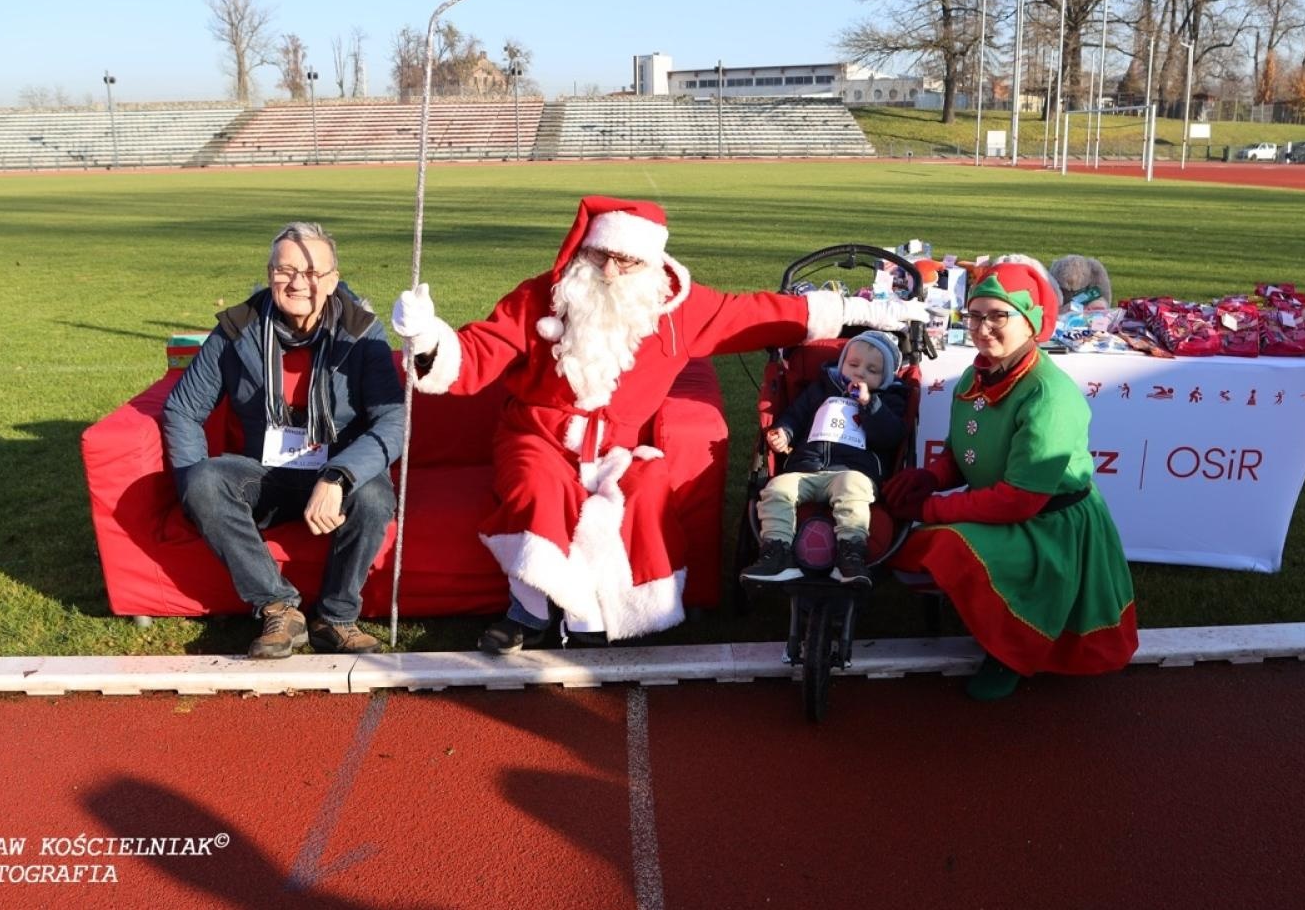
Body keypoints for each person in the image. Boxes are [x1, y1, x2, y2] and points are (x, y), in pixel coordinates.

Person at [391, 195, 922, 653]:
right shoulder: (540, 298)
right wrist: (431, 339)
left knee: (645, 491)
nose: (608, 272)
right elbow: (484, 348)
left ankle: (607, 616)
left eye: (625, 261)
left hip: (618, 448)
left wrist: (862, 311)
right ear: (583, 251)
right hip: (536, 435)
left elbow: (756, 312)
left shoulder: (678, 310)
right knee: (536, 486)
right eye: (600, 256)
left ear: (648, 262)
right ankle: (528, 609)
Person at [882, 259, 1138, 701]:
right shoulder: (979, 371)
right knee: (928, 543)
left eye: (998, 316)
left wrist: (929, 508)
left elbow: (1019, 500)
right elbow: (963, 449)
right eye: (975, 315)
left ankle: (1011, 651)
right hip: (1010, 509)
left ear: (1032, 322)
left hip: (1049, 529)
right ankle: (991, 622)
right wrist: (932, 476)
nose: (983, 329)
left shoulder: (1047, 395)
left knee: (948, 544)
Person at [163, 222, 405, 659]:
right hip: (266, 473)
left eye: (311, 272)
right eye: (284, 270)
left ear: (332, 280)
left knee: (372, 495)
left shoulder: (361, 332)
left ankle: (335, 617)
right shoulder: (237, 329)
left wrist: (338, 476)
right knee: (204, 482)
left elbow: (392, 420)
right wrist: (192, 492)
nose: (297, 283)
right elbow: (182, 410)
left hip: (337, 473)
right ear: (269, 273)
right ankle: (279, 607)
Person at [740, 330, 910, 587]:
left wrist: (869, 404)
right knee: (777, 488)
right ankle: (776, 552)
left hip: (852, 471)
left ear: (885, 379)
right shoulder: (820, 390)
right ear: (842, 364)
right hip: (806, 469)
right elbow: (795, 416)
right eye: (853, 365)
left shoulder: (888, 400)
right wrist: (785, 433)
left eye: (872, 370)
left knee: (853, 486)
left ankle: (851, 554)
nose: (860, 372)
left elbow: (891, 436)